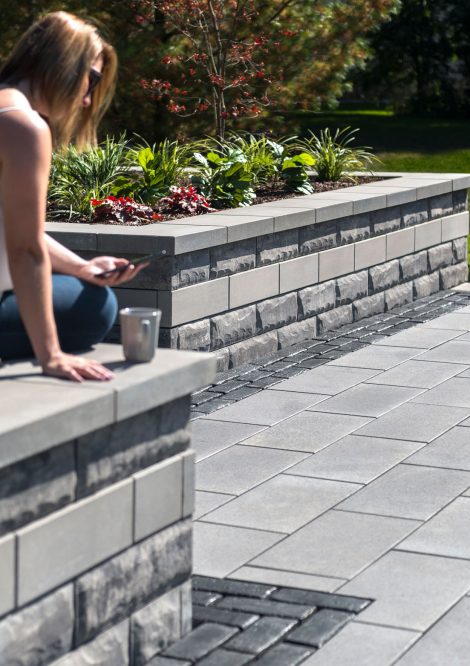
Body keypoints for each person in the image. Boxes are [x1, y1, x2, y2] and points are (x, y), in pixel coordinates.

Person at [0, 11, 146, 382]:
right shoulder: (22, 126)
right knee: (94, 307)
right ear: (64, 64)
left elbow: (14, 230)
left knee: (82, 285)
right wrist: (50, 356)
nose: (86, 100)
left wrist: (82, 267)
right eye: (91, 79)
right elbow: (24, 250)